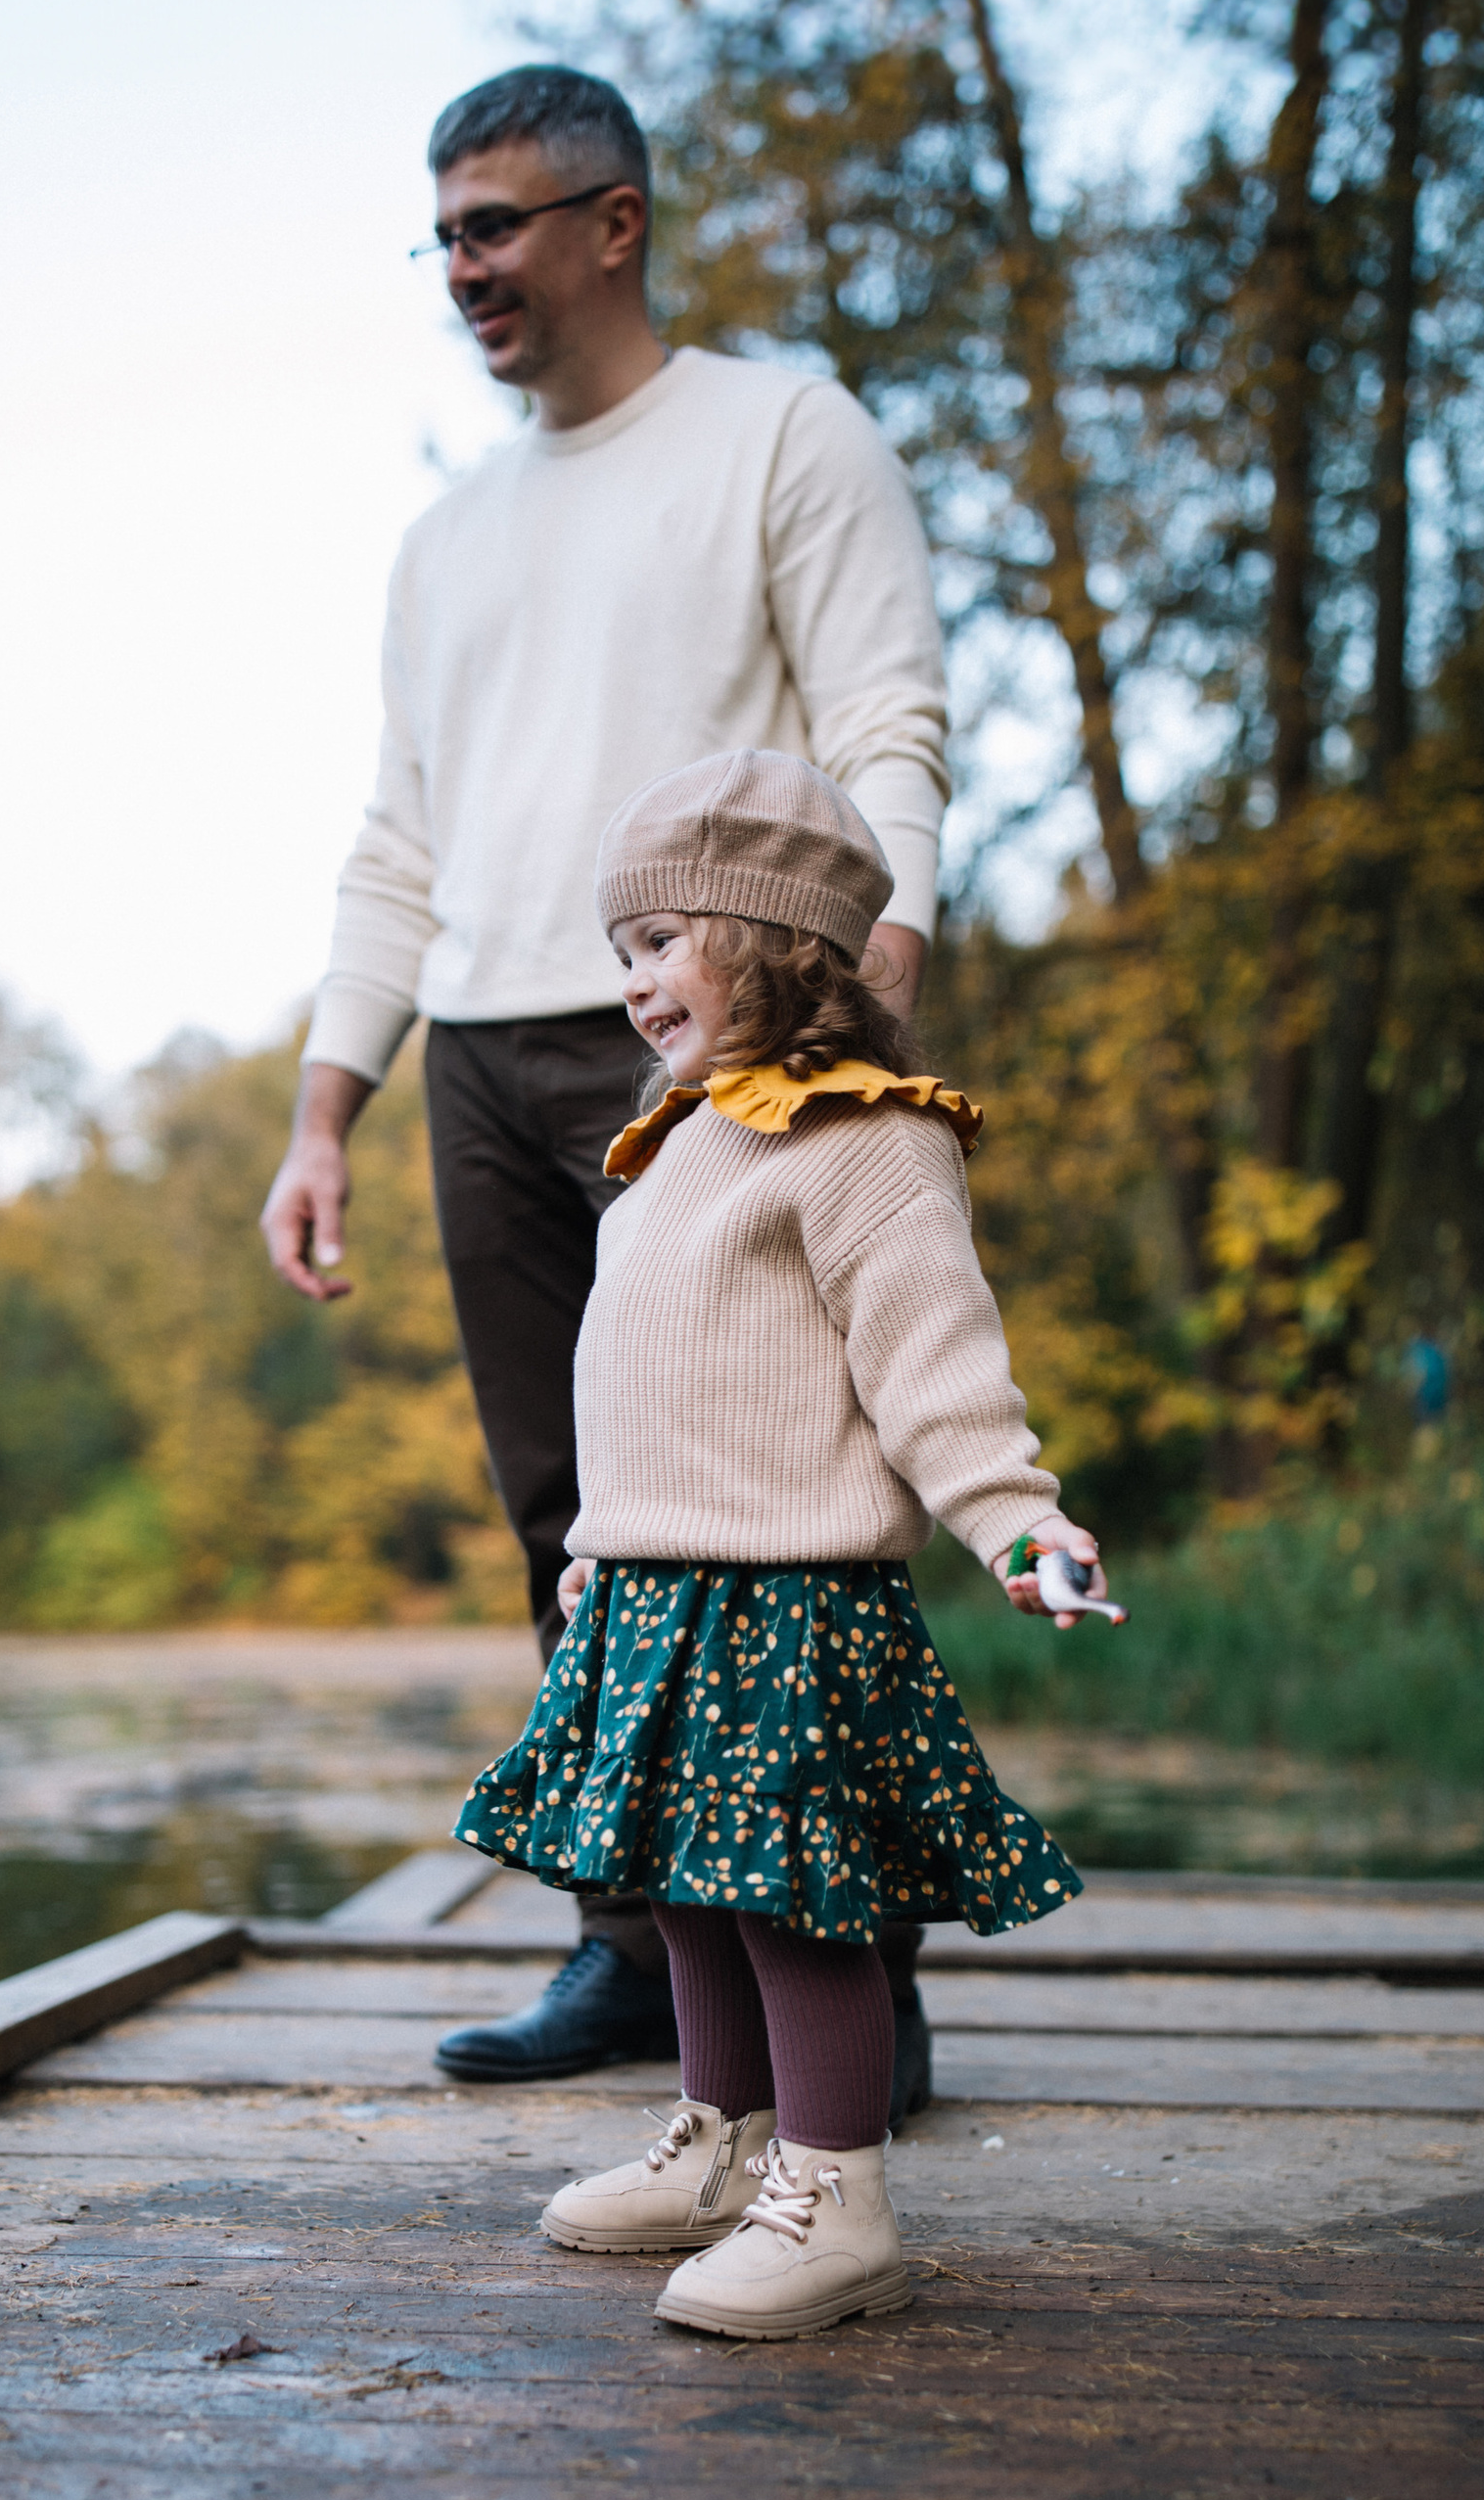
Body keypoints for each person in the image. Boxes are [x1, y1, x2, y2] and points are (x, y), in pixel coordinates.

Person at [259, 65, 953, 2103]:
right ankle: (634, 1954)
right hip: (483, 1053)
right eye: (441, 235)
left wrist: (879, 961)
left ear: (613, 223)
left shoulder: (783, 436)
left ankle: (853, 1976)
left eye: (491, 225)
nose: (459, 269)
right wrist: (326, 1106)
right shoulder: (445, 540)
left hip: (721, 1035)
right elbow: (398, 840)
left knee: (777, 1517)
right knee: (570, 1520)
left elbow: (886, 722)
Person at [452, 748, 1106, 2338]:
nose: (632, 984)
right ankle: (729, 2144)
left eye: (660, 941)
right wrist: (598, 1548)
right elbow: (642, 1386)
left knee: (790, 1899)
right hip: (654, 1592)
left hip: (788, 1604)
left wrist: (1018, 1519)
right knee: (682, 1882)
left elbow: (936, 1370)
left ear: (780, 938)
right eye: (620, 952)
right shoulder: (676, 1147)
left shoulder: (866, 1138)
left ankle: (838, 2195)